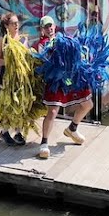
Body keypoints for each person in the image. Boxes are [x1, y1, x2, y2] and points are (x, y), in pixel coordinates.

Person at [31, 15, 90, 159]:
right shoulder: (41, 44)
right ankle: (44, 143)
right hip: (55, 80)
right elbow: (43, 60)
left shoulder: (63, 39)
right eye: (46, 27)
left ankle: (72, 128)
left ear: (54, 26)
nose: (49, 28)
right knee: (52, 112)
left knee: (87, 104)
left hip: (70, 78)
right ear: (42, 30)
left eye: (50, 25)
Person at [0, 12, 42, 146]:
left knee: (22, 103)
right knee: (7, 105)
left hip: (22, 79)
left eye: (17, 22)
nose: (16, 25)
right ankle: (4, 131)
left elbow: (27, 57)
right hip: (7, 79)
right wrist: (11, 62)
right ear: (6, 26)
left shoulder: (23, 39)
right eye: (13, 23)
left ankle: (18, 132)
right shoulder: (2, 40)